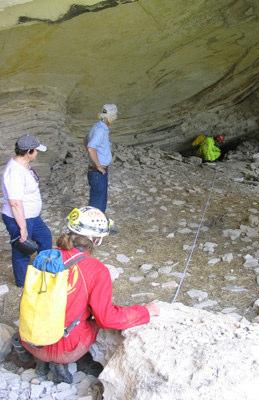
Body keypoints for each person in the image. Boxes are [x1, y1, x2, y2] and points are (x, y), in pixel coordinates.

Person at [19, 206, 159, 384]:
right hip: (65, 350)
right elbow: (107, 318)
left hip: (31, 340)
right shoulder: (97, 270)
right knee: (96, 323)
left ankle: (42, 362)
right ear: (96, 239)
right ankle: (70, 362)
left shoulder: (46, 257)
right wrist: (145, 311)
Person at [1, 133, 52, 287]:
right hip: (20, 218)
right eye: (36, 150)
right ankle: (22, 283)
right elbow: (15, 203)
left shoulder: (23, 164)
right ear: (29, 151)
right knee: (22, 251)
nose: (37, 153)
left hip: (32, 216)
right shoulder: (15, 172)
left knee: (45, 238)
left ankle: (45, 271)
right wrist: (22, 228)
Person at [86, 104, 118, 213]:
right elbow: (91, 147)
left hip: (97, 171)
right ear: (110, 117)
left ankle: (96, 224)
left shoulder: (98, 126)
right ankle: (94, 227)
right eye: (114, 116)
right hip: (98, 172)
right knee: (98, 204)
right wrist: (98, 165)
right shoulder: (101, 130)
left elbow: (85, 139)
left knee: (98, 199)